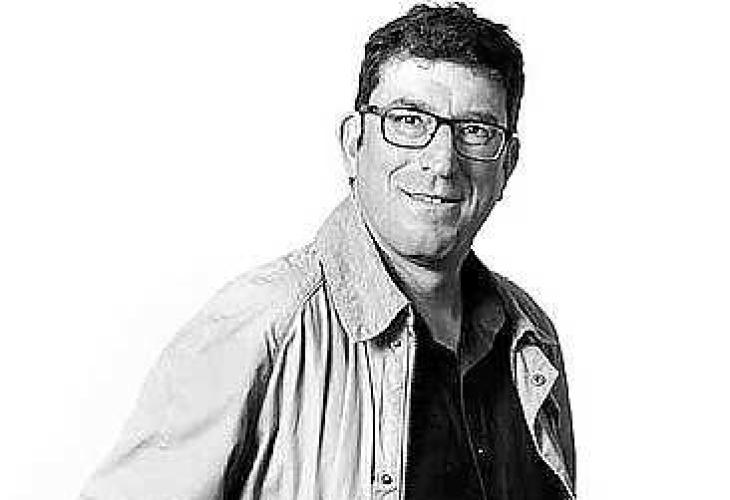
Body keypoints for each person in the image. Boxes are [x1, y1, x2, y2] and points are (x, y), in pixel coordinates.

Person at [80, 3, 576, 499]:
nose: (442, 161)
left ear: (507, 165)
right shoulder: (259, 327)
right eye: (408, 120)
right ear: (353, 143)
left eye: (476, 131)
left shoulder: (531, 337)